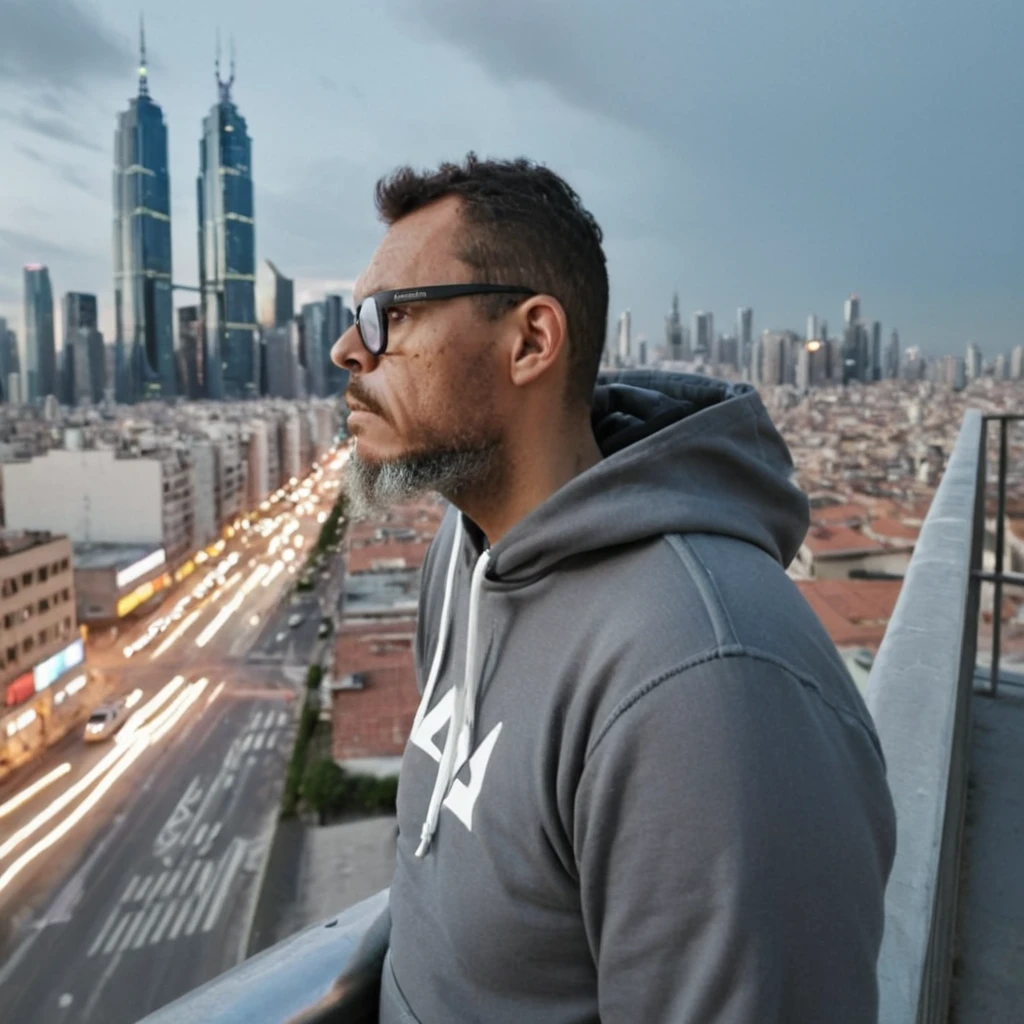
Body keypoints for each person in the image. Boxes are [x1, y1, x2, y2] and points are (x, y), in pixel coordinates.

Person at [330, 154, 896, 1024]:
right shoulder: (467, 552)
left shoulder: (707, 681)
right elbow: (436, 869)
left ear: (531, 341)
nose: (347, 351)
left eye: (385, 317)